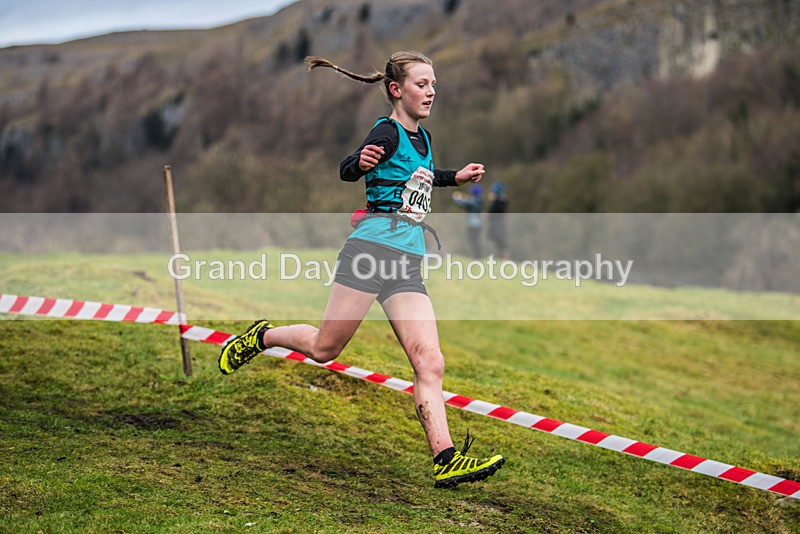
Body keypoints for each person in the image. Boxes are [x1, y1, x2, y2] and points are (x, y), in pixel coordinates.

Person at [218, 51, 505, 488]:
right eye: (422, 84)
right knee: (323, 349)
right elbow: (348, 167)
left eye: (433, 84)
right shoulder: (385, 131)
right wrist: (360, 164)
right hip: (370, 253)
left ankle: (445, 458)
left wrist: (455, 178)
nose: (431, 91)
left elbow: (421, 174)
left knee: (430, 362)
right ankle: (261, 336)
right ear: (396, 89)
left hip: (407, 262)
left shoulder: (423, 138)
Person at [452, 184, 484, 259]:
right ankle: (477, 257)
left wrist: (456, 198)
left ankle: (477, 257)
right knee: (476, 241)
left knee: (474, 242)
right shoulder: (478, 200)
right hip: (478, 225)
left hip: (473, 225)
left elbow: (461, 203)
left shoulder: (474, 201)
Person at [487, 181, 510, 259]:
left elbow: (496, 212)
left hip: (498, 223)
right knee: (494, 237)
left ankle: (504, 254)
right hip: (495, 223)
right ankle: (501, 255)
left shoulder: (501, 201)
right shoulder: (497, 201)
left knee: (499, 238)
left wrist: (489, 215)